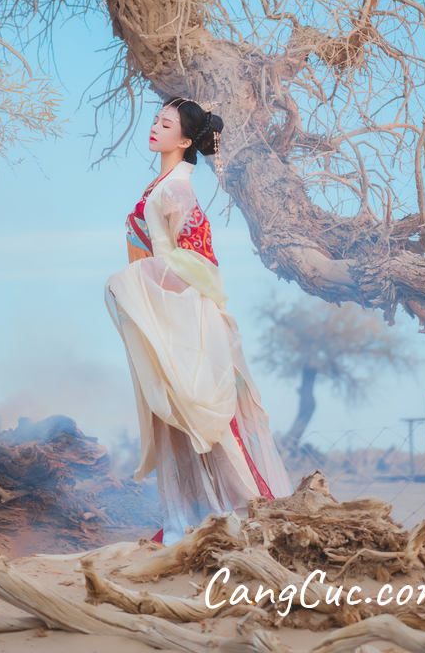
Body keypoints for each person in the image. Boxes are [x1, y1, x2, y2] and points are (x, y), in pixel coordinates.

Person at [106, 97, 291, 544]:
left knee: (207, 413)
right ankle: (189, 520)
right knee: (175, 414)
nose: (155, 127)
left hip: (188, 315)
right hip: (169, 314)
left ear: (185, 141)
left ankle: (250, 512)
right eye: (155, 120)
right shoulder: (164, 184)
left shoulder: (178, 191)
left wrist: (132, 278)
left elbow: (199, 262)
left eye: (166, 124)